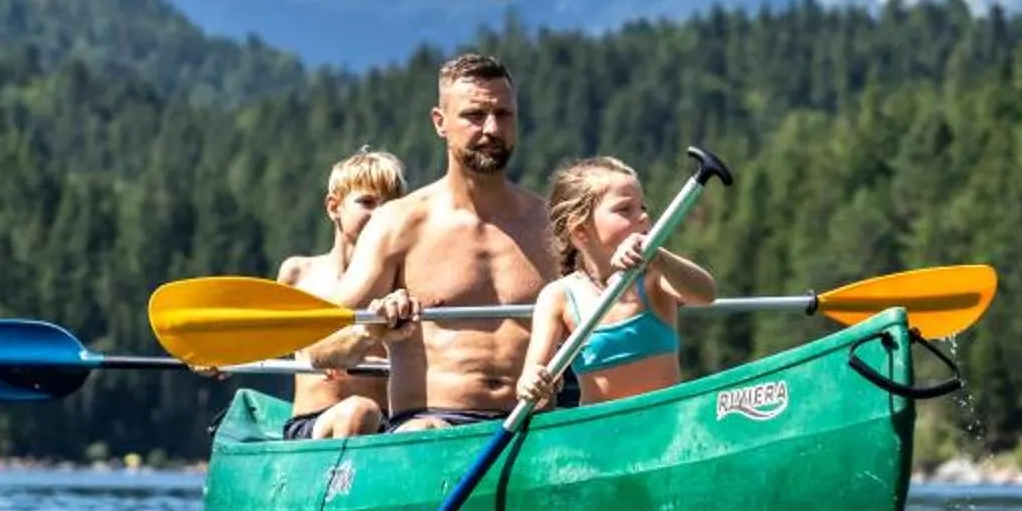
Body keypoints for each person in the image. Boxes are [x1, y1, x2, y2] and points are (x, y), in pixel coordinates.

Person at [323, 52, 558, 432]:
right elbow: (320, 345)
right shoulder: (398, 224)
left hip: (537, 426)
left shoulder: (549, 225)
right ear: (440, 122)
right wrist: (371, 329)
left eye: (503, 114)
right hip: (432, 427)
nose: (492, 129)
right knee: (426, 430)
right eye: (474, 115)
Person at [514, 157, 716, 409]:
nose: (643, 216)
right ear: (581, 231)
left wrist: (658, 257)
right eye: (625, 209)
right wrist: (531, 382)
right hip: (603, 428)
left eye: (642, 207)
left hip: (665, 422)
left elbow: (706, 294)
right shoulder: (559, 297)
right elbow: (533, 379)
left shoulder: (655, 276)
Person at [278, 147, 407, 439]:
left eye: (389, 206)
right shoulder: (298, 274)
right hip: (312, 425)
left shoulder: (403, 285)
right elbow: (261, 343)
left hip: (384, 425)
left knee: (363, 411)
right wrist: (215, 356)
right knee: (358, 411)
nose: (379, 214)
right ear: (334, 207)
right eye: (367, 202)